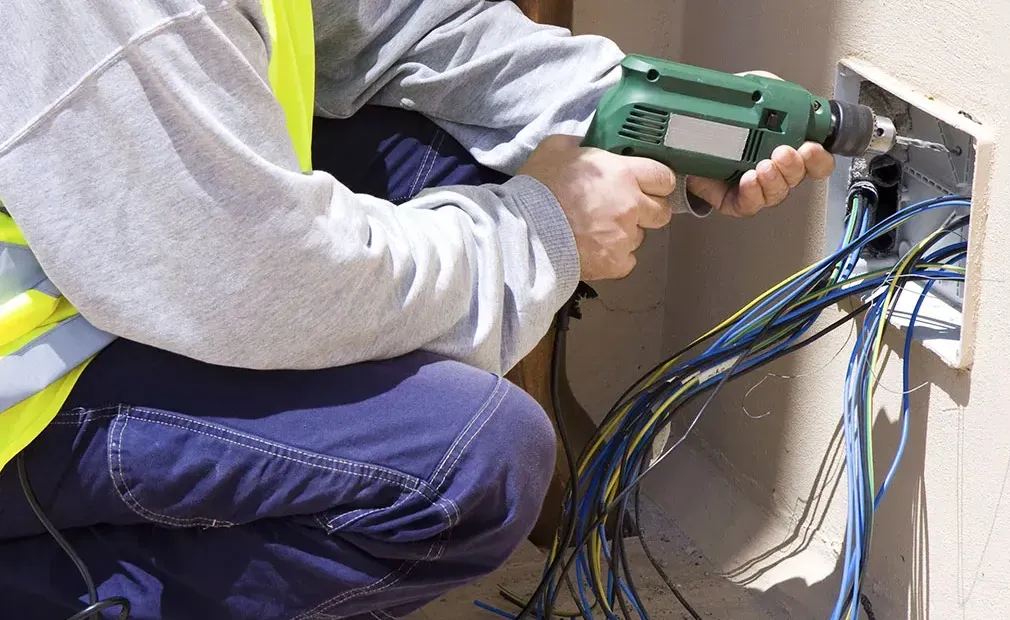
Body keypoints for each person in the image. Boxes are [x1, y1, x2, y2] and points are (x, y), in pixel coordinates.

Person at [0, 1, 834, 618]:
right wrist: (545, 230)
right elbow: (253, 278)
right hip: (27, 392)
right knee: (465, 462)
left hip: (135, 271)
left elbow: (400, 28)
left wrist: (659, 116)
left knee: (456, 150)